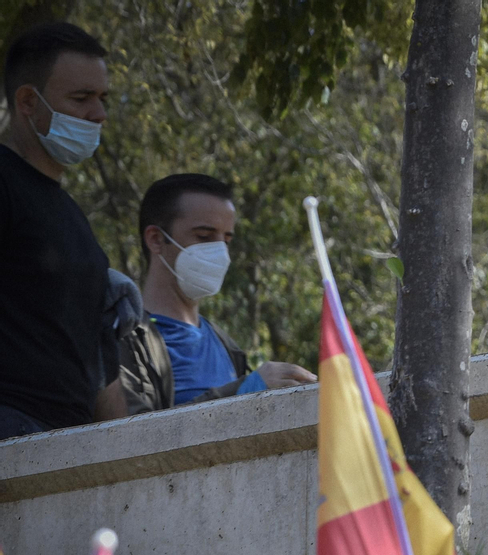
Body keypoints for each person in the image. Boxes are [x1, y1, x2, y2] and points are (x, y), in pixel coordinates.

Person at [0, 22, 123, 440]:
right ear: (28, 102)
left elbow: (100, 366)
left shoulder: (73, 218)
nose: (99, 114)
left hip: (68, 449)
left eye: (103, 98)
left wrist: (125, 453)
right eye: (81, 98)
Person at [119, 173, 314, 413]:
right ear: (156, 239)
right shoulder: (125, 339)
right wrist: (243, 391)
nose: (220, 253)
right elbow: (132, 439)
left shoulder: (227, 347)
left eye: (226, 240)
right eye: (204, 237)